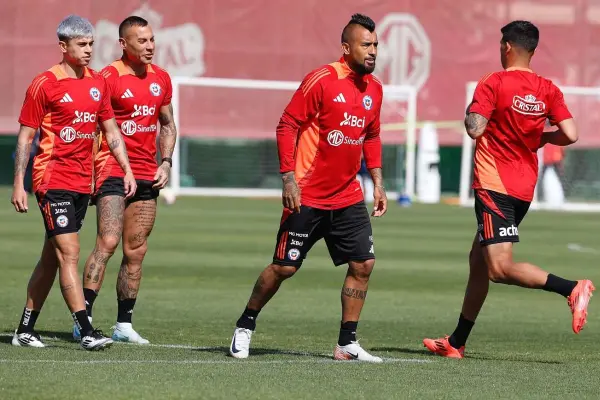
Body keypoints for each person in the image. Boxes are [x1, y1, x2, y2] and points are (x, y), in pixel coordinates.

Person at [423, 20, 594, 359]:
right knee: (478, 262)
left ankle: (572, 288)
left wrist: (472, 115)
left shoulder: (494, 82)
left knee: (498, 268)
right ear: (532, 49)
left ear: (506, 47)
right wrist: (542, 137)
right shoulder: (547, 88)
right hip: (522, 189)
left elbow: (475, 128)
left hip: (494, 185)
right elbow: (571, 133)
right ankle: (456, 342)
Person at [229, 13, 387, 362]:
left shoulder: (374, 89)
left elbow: (371, 136)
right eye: (366, 45)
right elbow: (287, 125)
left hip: (347, 196)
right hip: (308, 194)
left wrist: (377, 182)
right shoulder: (321, 79)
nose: (373, 51)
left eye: (376, 44)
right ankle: (245, 324)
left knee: (363, 263)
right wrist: (288, 178)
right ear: (346, 48)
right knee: (284, 268)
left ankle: (347, 342)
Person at [10, 15, 137, 350]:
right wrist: (19, 184)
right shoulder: (45, 83)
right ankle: (86, 330)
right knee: (70, 253)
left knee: (51, 257)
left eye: (91, 44)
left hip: (84, 183)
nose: (88, 50)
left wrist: (125, 169)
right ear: (63, 46)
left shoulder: (98, 83)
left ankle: (25, 329)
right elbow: (26, 137)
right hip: (51, 180)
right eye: (81, 44)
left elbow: (111, 131)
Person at [72, 15, 176, 344]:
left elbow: (168, 125)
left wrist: (166, 162)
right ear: (123, 44)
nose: (150, 46)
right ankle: (83, 320)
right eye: (141, 40)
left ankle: (123, 325)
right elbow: (90, 127)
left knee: (136, 250)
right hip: (111, 169)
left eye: (151, 39)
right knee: (108, 242)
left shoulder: (162, 78)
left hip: (147, 173)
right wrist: (87, 173)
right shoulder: (108, 78)